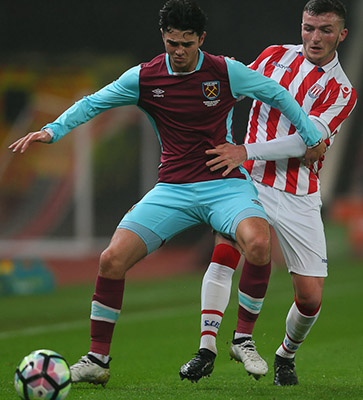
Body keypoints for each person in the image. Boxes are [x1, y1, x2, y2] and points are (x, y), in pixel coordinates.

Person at [9, 0, 325, 387]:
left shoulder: (225, 71)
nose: (178, 51)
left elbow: (277, 93)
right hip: (172, 189)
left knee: (259, 244)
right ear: (164, 37)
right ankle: (96, 359)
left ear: (201, 39)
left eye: (186, 44)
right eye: (172, 42)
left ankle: (242, 340)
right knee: (111, 260)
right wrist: (52, 130)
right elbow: (93, 103)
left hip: (224, 185)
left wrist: (311, 136)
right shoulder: (144, 78)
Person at [180, 0, 357, 386]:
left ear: (341, 35)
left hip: (298, 193)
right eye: (309, 27)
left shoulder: (341, 90)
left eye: (326, 30)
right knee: (226, 252)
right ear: (301, 26)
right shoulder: (275, 56)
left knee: (309, 298)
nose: (315, 37)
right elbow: (234, 91)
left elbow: (304, 142)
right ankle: (206, 348)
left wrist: (245, 149)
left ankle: (285, 355)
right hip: (249, 180)